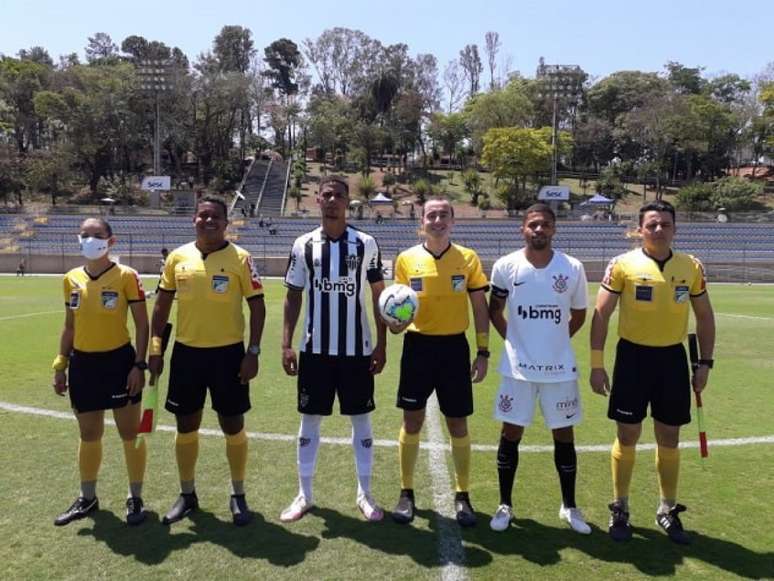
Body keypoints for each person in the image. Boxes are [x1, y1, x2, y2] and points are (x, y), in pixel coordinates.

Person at [590, 200, 716, 545]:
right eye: (652, 224)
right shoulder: (622, 265)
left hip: (672, 361)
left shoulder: (691, 266)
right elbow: (601, 315)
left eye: (665, 224)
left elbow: (704, 316)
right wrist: (597, 364)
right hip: (632, 358)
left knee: (669, 437)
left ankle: (666, 508)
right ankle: (620, 507)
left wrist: (705, 364)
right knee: (628, 435)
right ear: (640, 229)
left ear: (675, 228)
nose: (659, 229)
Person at [150, 194, 266, 526]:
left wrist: (253, 352)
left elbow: (257, 306)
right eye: (202, 215)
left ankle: (238, 494)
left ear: (226, 223)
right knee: (186, 424)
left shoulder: (241, 259)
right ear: (194, 220)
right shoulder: (177, 258)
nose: (208, 221)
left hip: (229, 355)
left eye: (215, 216)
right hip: (187, 354)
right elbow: (161, 306)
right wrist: (156, 349)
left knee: (233, 424)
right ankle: (187, 495)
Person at [280, 175, 387, 523]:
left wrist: (381, 344)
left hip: (357, 350)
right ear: (317, 200)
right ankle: (305, 495)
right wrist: (286, 343)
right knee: (309, 420)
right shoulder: (303, 245)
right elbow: (293, 294)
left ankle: (365, 494)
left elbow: (378, 296)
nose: (331, 200)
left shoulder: (366, 243)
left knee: (361, 420)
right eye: (326, 194)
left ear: (347, 201)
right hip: (315, 350)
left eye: (338, 195)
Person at [487, 203, 591, 534]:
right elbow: (494, 310)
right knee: (511, 434)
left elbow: (579, 315)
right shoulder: (506, 266)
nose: (539, 230)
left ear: (554, 229)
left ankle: (570, 507)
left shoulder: (572, 267)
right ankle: (505, 505)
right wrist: (515, 342)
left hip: (559, 369)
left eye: (545, 225)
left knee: (563, 435)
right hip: (518, 370)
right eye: (533, 224)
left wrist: (555, 340)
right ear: (523, 229)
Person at [388, 196, 489, 527]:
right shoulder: (405, 259)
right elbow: (397, 305)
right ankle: (406, 493)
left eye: (443, 215)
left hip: (454, 350)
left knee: (458, 423)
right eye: (431, 215)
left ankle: (463, 495)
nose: (437, 220)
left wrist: (483, 350)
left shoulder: (468, 259)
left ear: (453, 221)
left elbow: (479, 308)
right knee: (412, 422)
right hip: (417, 348)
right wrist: (395, 323)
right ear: (422, 221)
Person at [52, 217, 149, 526]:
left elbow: (143, 325)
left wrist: (139, 364)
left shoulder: (127, 276)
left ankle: (135, 497)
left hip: (119, 364)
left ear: (111, 241)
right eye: (85, 234)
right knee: (89, 434)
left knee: (130, 433)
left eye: (97, 234)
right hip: (83, 366)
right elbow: (69, 326)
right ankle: (88, 498)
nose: (89, 239)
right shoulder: (71, 278)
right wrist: (60, 364)